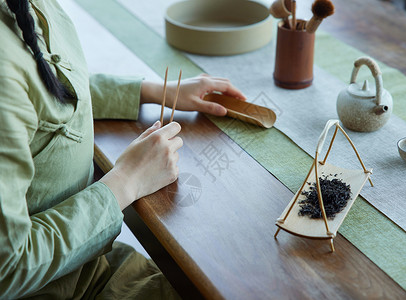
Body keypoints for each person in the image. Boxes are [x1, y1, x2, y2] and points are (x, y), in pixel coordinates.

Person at [0, 0, 245, 298]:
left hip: (87, 266)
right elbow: (8, 269)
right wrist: (126, 181)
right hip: (59, 286)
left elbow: (45, 91)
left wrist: (151, 91)